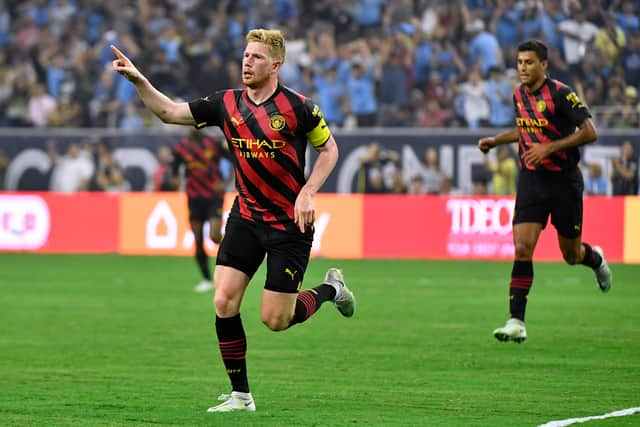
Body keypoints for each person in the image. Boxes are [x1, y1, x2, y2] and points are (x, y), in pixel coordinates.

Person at [112, 28, 355, 412]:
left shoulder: (300, 107)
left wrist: (308, 191)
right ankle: (241, 396)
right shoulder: (225, 103)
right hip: (246, 217)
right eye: (245, 55)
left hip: (289, 225)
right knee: (224, 301)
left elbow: (329, 150)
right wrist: (140, 81)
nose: (247, 62)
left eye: (256, 57)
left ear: (276, 64)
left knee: (276, 320)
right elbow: (169, 112)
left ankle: (331, 290)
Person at [477, 40, 612, 344]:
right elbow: (526, 130)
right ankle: (516, 321)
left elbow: (590, 132)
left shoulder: (562, 94)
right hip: (532, 181)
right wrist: (496, 141)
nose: (523, 68)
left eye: (529, 62)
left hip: (564, 182)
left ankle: (595, 259)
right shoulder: (518, 95)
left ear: (543, 65)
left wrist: (550, 147)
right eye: (519, 62)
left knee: (570, 254)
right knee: (523, 248)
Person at [171, 129, 229, 293]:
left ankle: (236, 256)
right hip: (194, 197)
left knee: (215, 236)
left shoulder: (214, 143)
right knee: (197, 239)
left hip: (213, 195)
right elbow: (174, 171)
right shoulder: (181, 148)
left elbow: (235, 159)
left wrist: (226, 183)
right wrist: (174, 180)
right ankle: (206, 279)